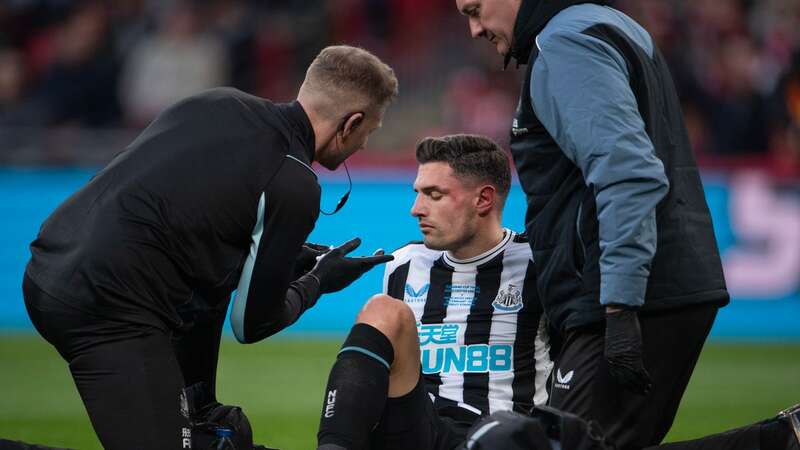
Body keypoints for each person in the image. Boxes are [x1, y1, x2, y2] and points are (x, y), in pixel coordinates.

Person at [22, 45, 397, 450]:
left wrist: (277, 260)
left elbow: (184, 223)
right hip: (110, 307)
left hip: (48, 267)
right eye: (369, 132)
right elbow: (253, 324)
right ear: (350, 122)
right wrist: (318, 282)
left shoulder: (216, 101)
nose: (361, 146)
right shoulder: (294, 182)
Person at [454, 1, 731, 449]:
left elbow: (628, 171)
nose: (473, 29)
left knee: (562, 444)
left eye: (475, 9)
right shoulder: (604, 24)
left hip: (627, 299)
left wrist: (620, 307)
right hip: (656, 287)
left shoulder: (564, 43)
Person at [316, 134, 554, 450]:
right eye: (418, 193)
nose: (416, 209)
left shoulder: (537, 264)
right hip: (419, 428)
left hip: (499, 436)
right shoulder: (404, 264)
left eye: (434, 195)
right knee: (381, 309)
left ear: (483, 199)